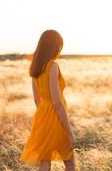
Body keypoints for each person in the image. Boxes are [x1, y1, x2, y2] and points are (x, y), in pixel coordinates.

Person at [20, 30, 75, 171]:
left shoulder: (35, 67)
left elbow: (36, 100)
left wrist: (44, 115)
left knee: (45, 159)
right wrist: (69, 130)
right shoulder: (53, 66)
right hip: (56, 118)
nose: (59, 50)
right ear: (54, 47)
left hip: (42, 117)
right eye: (59, 47)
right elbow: (57, 102)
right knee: (69, 159)